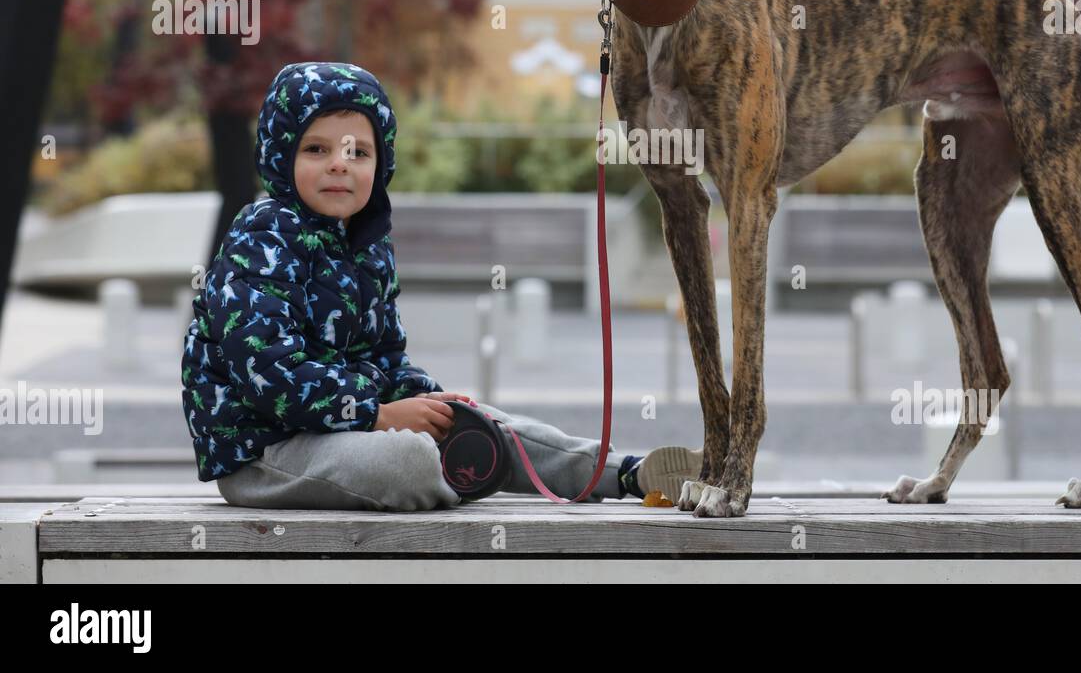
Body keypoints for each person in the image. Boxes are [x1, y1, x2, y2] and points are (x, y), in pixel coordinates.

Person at [181, 61, 701, 511]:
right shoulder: (261, 237)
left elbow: (383, 357)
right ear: (281, 157)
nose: (339, 164)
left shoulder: (367, 245)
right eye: (317, 149)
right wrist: (378, 415)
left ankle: (622, 473)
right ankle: (466, 470)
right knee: (408, 460)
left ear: (379, 166)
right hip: (268, 452)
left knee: (475, 420)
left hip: (349, 429)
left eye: (358, 153)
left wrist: (424, 400)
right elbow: (267, 368)